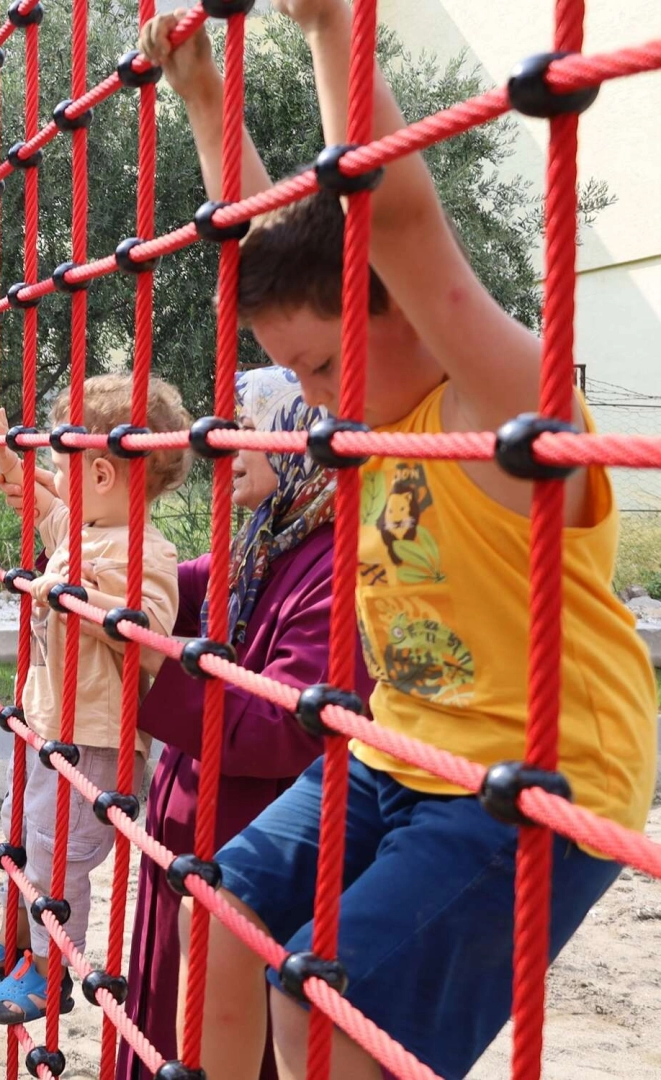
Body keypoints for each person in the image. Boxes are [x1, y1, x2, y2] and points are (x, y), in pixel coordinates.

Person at [144, 4, 657, 1078]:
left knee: (326, 992)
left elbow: (407, 230)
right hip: (399, 746)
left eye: (325, 367)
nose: (311, 400)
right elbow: (275, 245)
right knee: (221, 908)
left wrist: (335, 28)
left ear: (414, 318)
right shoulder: (369, 416)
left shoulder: (502, 405)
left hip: (540, 773)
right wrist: (202, 93)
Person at [121, 366, 373, 1080]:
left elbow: (288, 727)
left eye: (244, 433)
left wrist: (150, 674)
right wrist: (82, 520)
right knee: (162, 1011)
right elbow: (168, 585)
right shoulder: (265, 539)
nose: (220, 451)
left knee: (217, 1035)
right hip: (191, 834)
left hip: (252, 848)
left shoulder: (340, 564)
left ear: (298, 441)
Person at [0, 373, 192, 1023]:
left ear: (103, 476)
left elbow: (153, 628)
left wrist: (80, 599)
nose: (56, 478)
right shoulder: (84, 530)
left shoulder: (146, 551)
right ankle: (17, 941)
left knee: (61, 858)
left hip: (100, 737)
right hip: (55, 722)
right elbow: (45, 507)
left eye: (62, 465)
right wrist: (16, 467)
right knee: (21, 837)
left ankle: (54, 970)